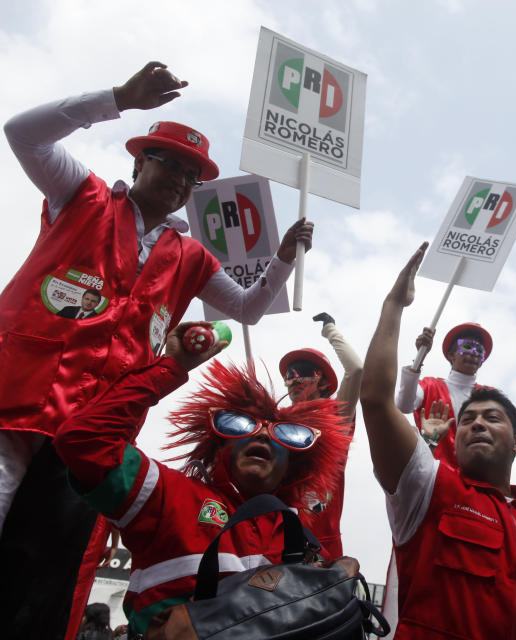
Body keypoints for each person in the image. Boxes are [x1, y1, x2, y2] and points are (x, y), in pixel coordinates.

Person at [0, 61, 314, 638]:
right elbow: (20, 131)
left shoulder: (190, 256)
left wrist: (285, 259)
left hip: (95, 438)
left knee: (49, 575)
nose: (178, 178)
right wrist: (116, 98)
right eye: (169, 162)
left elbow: (245, 309)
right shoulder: (82, 194)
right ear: (139, 161)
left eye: (191, 175)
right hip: (15, 401)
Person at [52, 322, 351, 636]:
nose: (262, 435)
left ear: (293, 463)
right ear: (220, 444)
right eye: (240, 424)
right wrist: (172, 367)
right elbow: (83, 441)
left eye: (283, 435)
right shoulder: (166, 494)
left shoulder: (303, 542)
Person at [360, 243, 516, 639]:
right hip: (434, 504)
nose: (477, 423)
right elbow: (391, 401)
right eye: (467, 420)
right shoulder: (428, 482)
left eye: (492, 417)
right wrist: (399, 316)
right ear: (450, 353)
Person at [396, 320, 516, 467]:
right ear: (451, 354)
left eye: (479, 351)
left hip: (476, 480)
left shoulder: (489, 395)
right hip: (433, 477)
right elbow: (403, 405)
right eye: (467, 346)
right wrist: (420, 357)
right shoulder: (429, 385)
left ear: (482, 361)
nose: (474, 354)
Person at [280, 311, 362, 559]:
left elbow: (356, 369)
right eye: (288, 376)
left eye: (301, 372)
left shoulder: (336, 416)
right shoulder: (277, 418)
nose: (292, 380)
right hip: (276, 533)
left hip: (321, 541)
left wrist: (331, 331)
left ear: (323, 382)